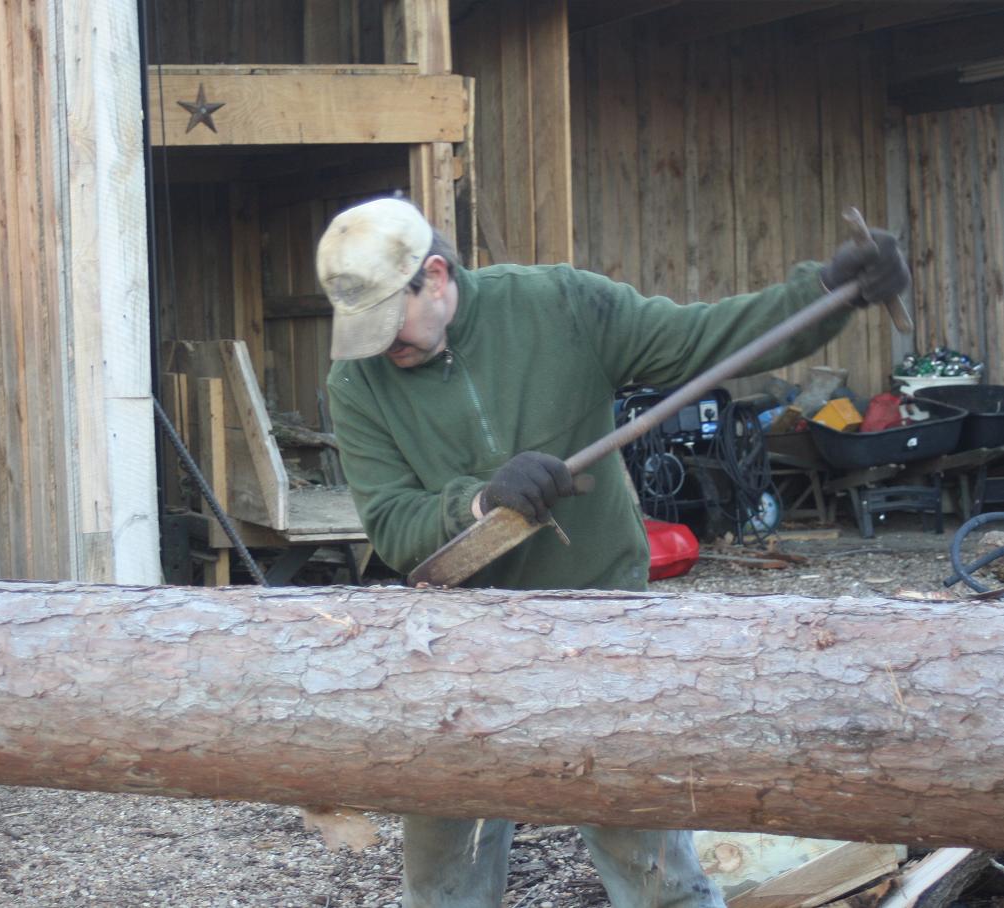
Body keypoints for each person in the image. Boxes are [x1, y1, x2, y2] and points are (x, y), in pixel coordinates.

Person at [317, 197, 909, 908]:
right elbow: (390, 524)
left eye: (389, 321)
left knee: (653, 865)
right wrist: (479, 503)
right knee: (445, 878)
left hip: (598, 619)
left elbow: (703, 340)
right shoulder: (357, 382)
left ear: (435, 276)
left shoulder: (556, 305)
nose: (382, 346)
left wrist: (821, 294)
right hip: (459, 643)